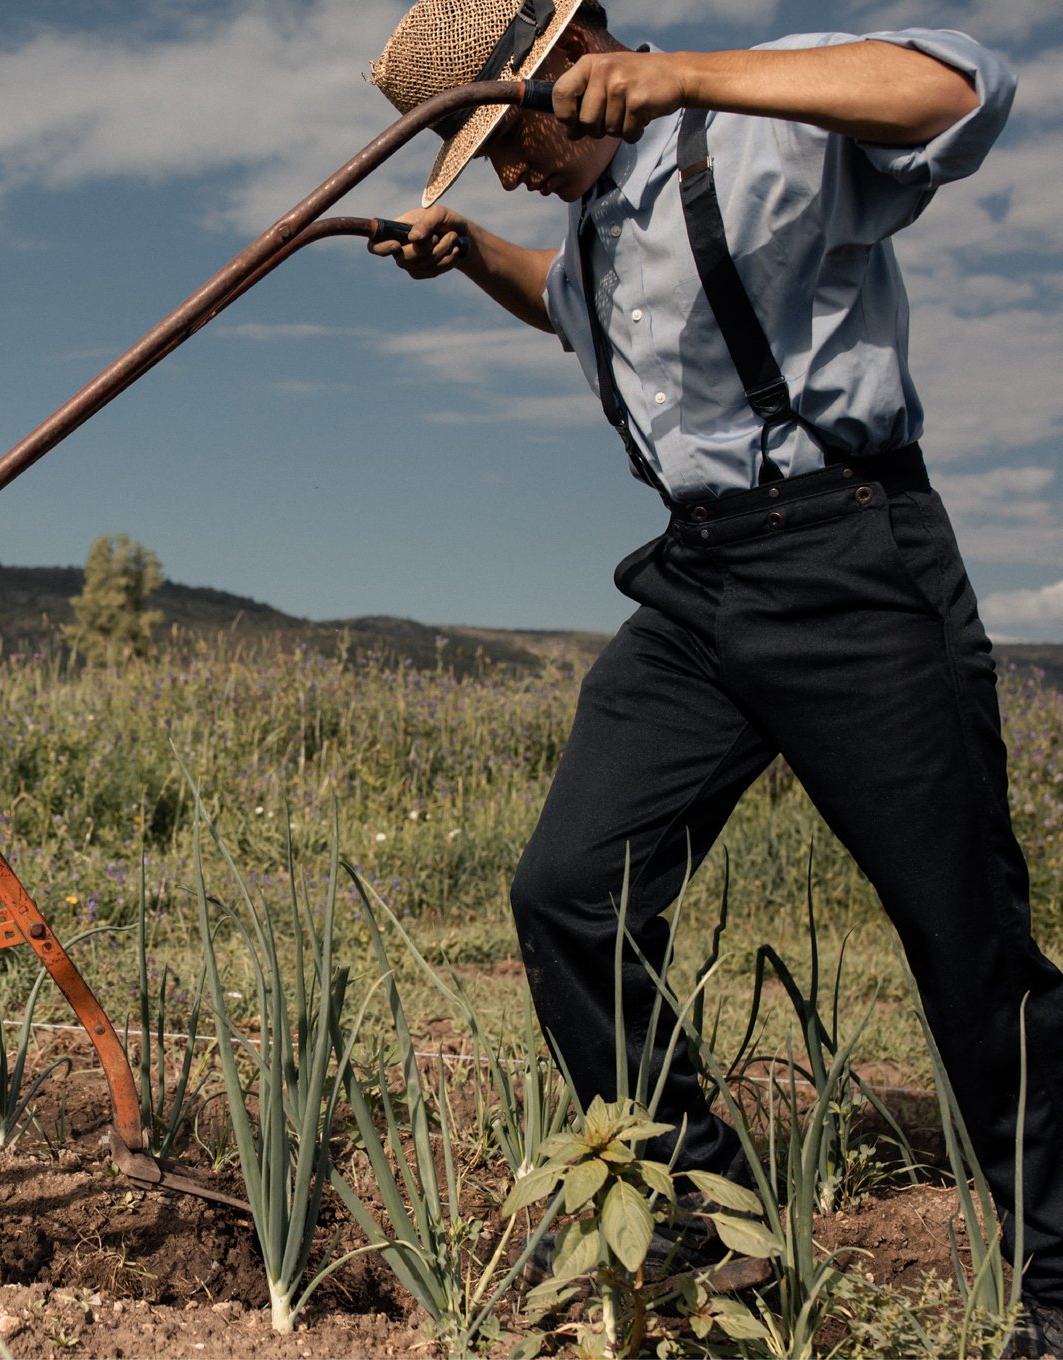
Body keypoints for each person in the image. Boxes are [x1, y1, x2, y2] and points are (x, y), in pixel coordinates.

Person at [367, 0, 1061, 1346]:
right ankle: (699, 1211)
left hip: (852, 561)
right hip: (700, 582)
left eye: (495, 138)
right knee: (568, 891)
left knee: (962, 941)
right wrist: (472, 259)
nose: (501, 169)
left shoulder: (751, 135)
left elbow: (968, 91)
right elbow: (568, 313)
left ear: (567, 68)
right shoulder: (588, 227)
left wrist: (689, 76)